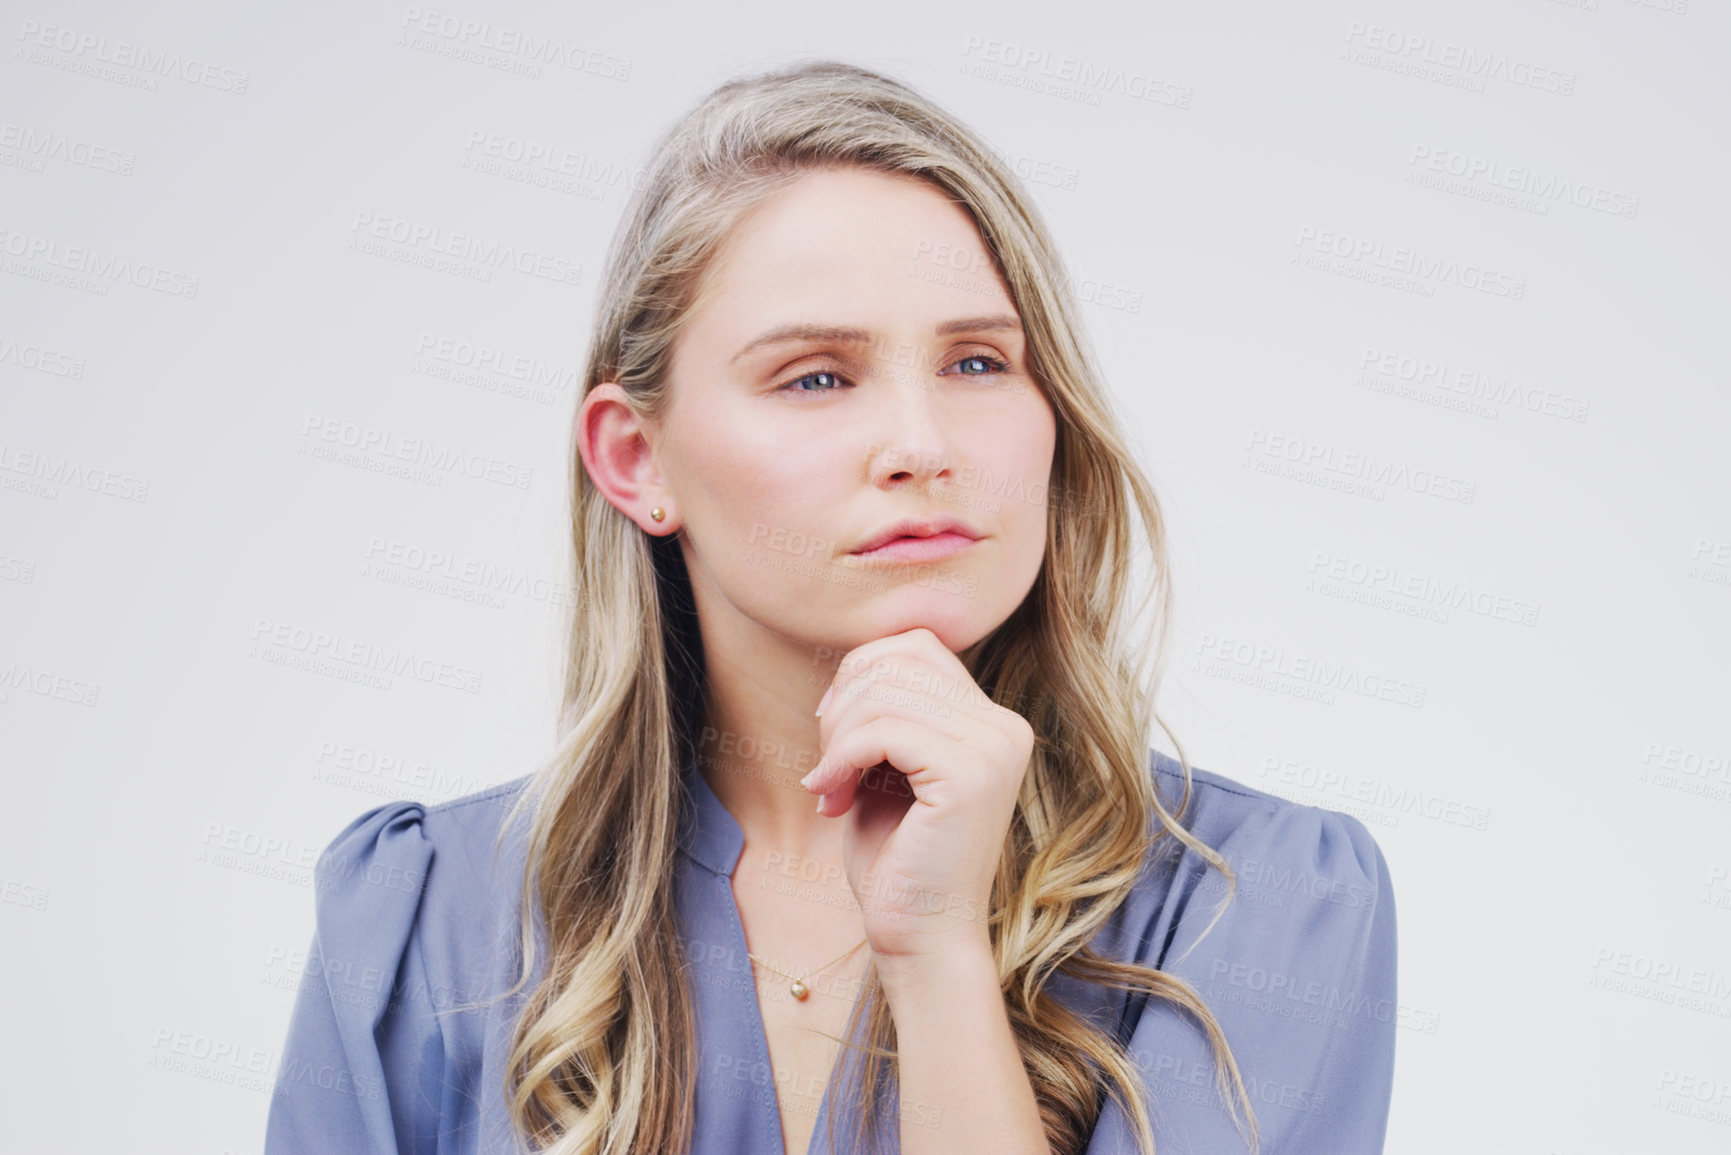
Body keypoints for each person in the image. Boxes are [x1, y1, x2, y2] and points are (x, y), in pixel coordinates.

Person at [264, 59, 1397, 1155]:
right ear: (635, 458)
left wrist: (938, 953)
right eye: (816, 375)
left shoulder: (1261, 910)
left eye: (978, 364)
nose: (922, 445)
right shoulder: (422, 921)